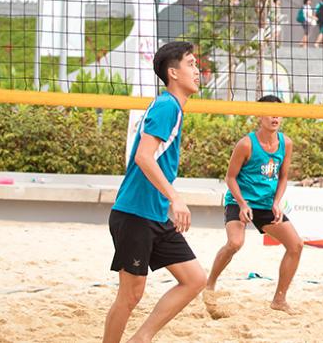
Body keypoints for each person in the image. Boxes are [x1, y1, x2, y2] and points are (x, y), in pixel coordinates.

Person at [103, 41, 206, 343]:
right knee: (130, 296)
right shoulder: (166, 106)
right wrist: (175, 197)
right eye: (190, 64)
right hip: (135, 213)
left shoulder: (171, 107)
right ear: (173, 73)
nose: (197, 70)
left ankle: (141, 338)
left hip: (155, 214)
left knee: (194, 279)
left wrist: (168, 200)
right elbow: (143, 157)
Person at [205, 95, 302, 313]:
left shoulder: (286, 143)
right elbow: (230, 178)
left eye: (278, 112)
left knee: (296, 245)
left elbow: (284, 177)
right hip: (240, 202)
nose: (275, 116)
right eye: (269, 111)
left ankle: (279, 299)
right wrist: (242, 204)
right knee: (235, 243)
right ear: (259, 115)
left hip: (266, 204)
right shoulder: (246, 144)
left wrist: (277, 202)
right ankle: (210, 284)